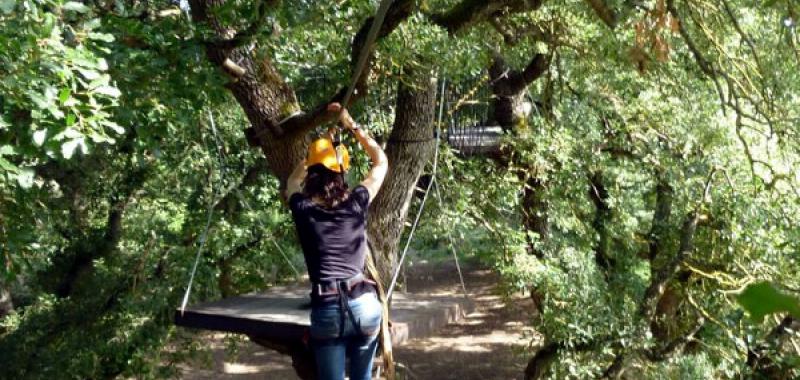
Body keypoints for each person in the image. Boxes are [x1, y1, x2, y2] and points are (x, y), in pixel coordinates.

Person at [285, 102, 388, 380]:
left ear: (312, 173)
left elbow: (292, 183)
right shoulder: (357, 202)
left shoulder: (303, 208)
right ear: (340, 172)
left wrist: (313, 155)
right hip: (365, 306)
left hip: (328, 307)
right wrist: (350, 124)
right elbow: (381, 162)